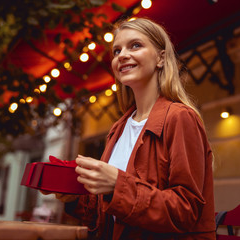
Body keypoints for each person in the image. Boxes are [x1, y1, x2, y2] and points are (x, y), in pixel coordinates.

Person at [51, 17, 216, 239]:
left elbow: (186, 211)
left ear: (161, 58)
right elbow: (109, 215)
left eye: (135, 45)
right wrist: (72, 197)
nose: (122, 55)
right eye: (116, 51)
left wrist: (118, 185)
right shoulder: (119, 127)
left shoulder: (180, 118)